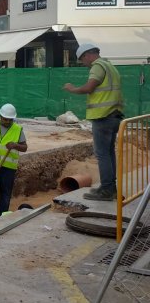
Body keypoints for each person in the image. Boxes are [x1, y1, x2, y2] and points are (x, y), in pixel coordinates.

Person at [63, 43, 123, 201]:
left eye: (82, 60)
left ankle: (106, 190)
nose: (84, 64)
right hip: (114, 115)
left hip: (103, 116)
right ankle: (111, 188)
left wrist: (72, 89)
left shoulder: (97, 66)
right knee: (109, 153)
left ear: (88, 55)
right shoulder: (111, 67)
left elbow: (89, 88)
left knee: (102, 154)